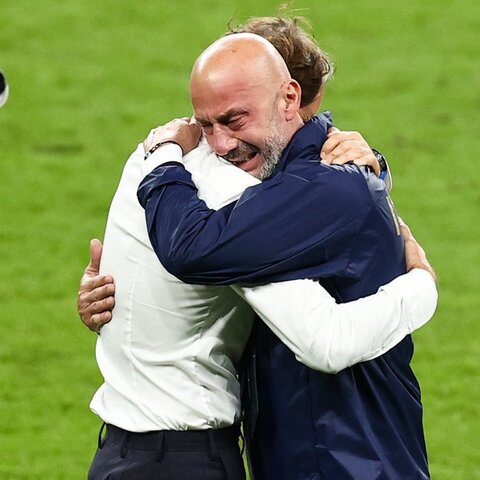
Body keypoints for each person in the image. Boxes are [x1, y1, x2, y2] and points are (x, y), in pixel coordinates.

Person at [80, 21, 437, 480]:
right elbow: (324, 339)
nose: (222, 143)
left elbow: (323, 337)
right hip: (224, 454)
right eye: (211, 122)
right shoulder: (226, 191)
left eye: (236, 119)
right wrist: (421, 288)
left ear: (290, 99)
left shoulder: (159, 158)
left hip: (344, 456)